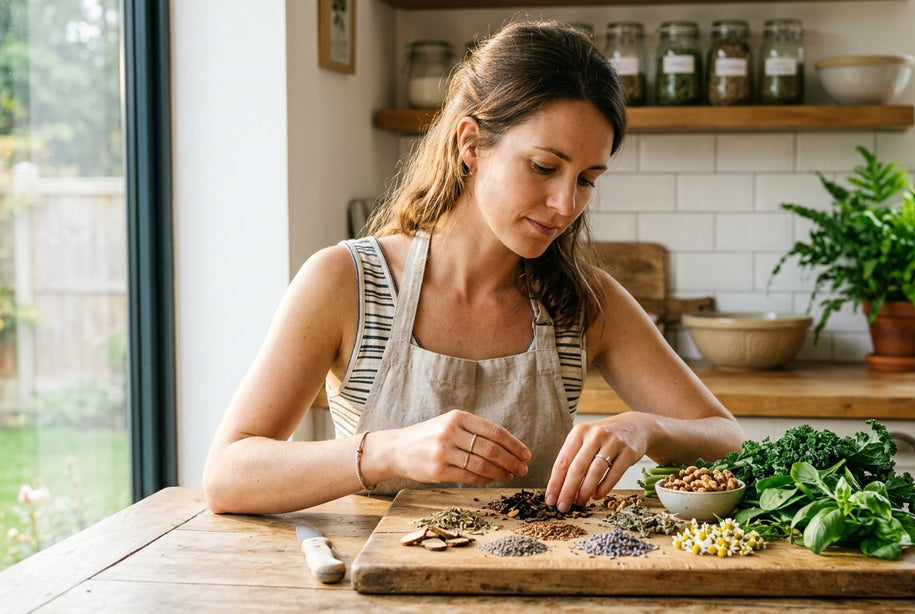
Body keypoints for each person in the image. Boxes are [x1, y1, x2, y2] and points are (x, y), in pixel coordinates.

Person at [202, 21, 745, 515]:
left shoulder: (582, 301)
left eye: (586, 179)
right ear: (471, 144)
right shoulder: (346, 281)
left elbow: (728, 437)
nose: (566, 203)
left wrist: (646, 428)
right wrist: (388, 451)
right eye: (544, 166)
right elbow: (227, 476)